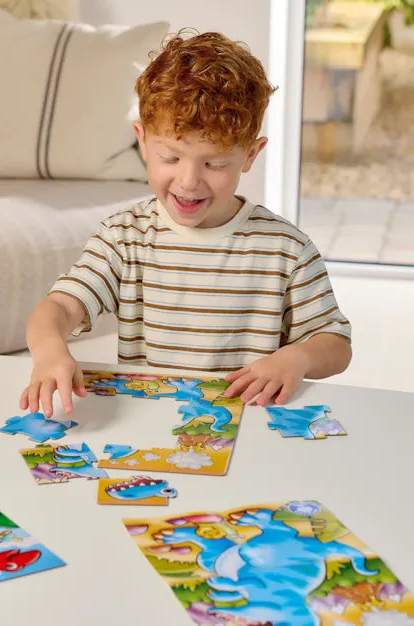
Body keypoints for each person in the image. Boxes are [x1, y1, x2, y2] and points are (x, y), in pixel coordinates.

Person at [20, 30, 351, 418]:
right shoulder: (124, 238)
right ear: (143, 141)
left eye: (215, 163)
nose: (189, 181)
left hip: (250, 423)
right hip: (151, 423)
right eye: (171, 158)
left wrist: (297, 358)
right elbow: (59, 307)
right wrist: (50, 350)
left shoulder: (286, 250)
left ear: (251, 154)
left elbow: (335, 343)